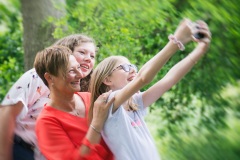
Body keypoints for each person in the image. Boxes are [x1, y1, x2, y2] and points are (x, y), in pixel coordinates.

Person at [88, 19, 211, 160]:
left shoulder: (135, 104)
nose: (133, 71)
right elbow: (143, 78)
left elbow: (168, 80)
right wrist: (176, 41)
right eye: (126, 68)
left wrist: (200, 50)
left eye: (133, 67)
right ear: (107, 80)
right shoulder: (108, 103)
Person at [0, 34, 113, 160]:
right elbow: (7, 113)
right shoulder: (37, 76)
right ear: (66, 53)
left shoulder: (83, 91)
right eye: (82, 52)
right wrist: (4, 155)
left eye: (92, 56)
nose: (88, 58)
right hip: (20, 147)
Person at [34, 45, 114, 159]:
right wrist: (97, 123)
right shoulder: (47, 121)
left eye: (78, 67)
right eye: (71, 71)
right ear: (50, 78)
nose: (80, 75)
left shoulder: (91, 99)